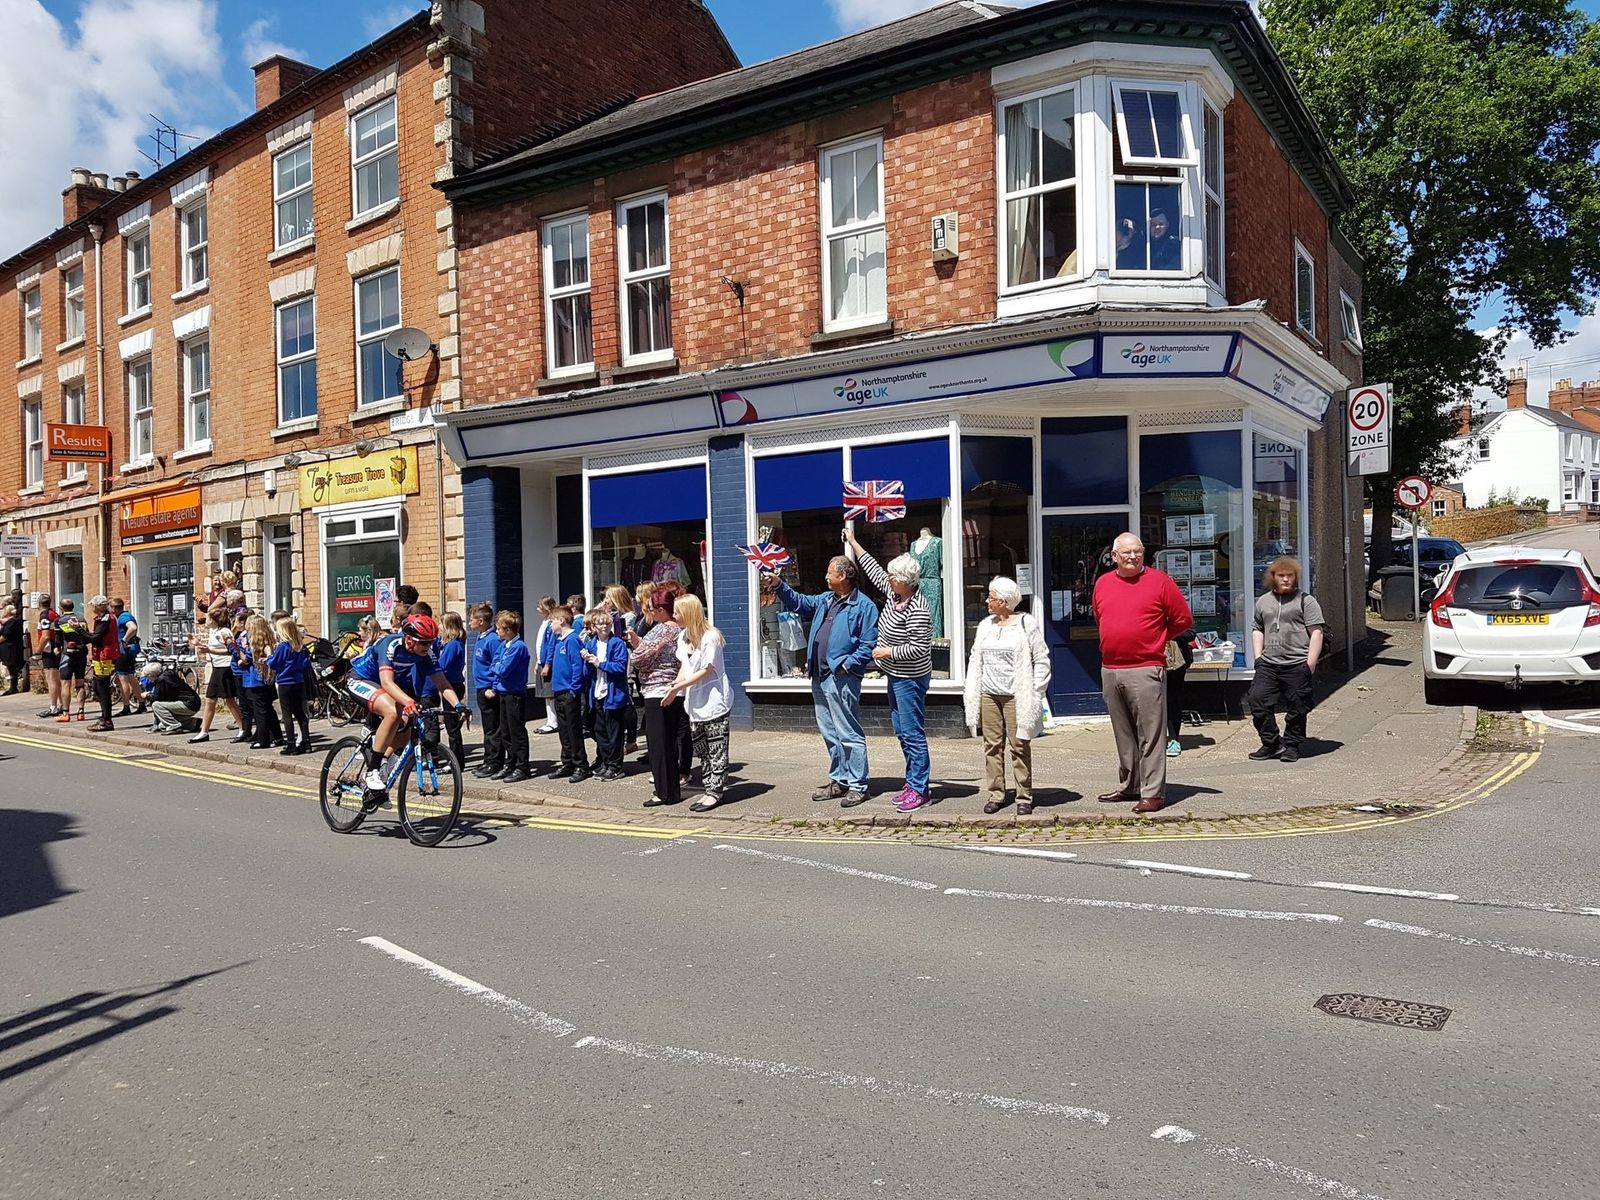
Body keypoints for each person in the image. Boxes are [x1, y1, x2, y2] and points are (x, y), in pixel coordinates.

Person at [1092, 532, 1193, 812]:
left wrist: (1157, 638)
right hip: (1111, 668)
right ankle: (1130, 786)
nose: (1133, 556)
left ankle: (1153, 793)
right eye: (1127, 552)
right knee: (1124, 734)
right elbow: (1101, 618)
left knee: (1150, 734)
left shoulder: (1160, 582)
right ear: (1114, 556)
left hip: (1146, 667)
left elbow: (1183, 619)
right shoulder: (1102, 583)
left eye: (1138, 551)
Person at [772, 552, 880, 808]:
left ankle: (858, 785)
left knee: (848, 732)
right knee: (830, 733)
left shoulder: (863, 606)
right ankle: (840, 780)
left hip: (841, 677)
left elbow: (868, 643)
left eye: (830, 572)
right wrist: (778, 585)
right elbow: (799, 603)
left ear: (843, 576)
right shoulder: (826, 600)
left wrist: (846, 664)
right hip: (819, 676)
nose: (825, 577)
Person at [844, 527, 934, 813]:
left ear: (905, 581)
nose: (889, 578)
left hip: (910, 677)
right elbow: (873, 570)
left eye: (893, 576)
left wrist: (888, 652)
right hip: (895, 675)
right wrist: (854, 542)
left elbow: (920, 648)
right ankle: (912, 782)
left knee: (912, 733)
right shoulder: (895, 595)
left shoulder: (917, 609)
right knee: (901, 730)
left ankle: (920, 789)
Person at [344, 612, 466, 795]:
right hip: (361, 679)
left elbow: (442, 682)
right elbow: (386, 682)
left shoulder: (426, 653)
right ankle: (372, 771)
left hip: (391, 684)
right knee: (392, 712)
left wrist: (458, 705)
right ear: (409, 640)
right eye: (424, 642)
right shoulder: (390, 644)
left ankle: (380, 779)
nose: (429, 646)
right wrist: (408, 701)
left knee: (404, 733)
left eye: (431, 641)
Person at [963, 576, 1051, 815]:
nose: (987, 601)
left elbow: (1041, 659)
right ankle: (996, 794)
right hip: (989, 693)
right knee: (991, 746)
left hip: (1016, 695)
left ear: (1003, 601)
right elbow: (975, 657)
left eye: (991, 597)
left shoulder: (1026, 623)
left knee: (1019, 745)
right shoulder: (986, 625)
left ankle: (1024, 796)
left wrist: (1036, 690)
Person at [1248, 556, 1326, 764]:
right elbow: (1257, 628)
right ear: (1272, 577)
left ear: (1296, 577)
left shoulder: (1306, 601)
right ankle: (1271, 743)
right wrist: (1258, 657)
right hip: (1268, 664)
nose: (1285, 579)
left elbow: (1316, 632)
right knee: (1257, 700)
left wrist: (1309, 664)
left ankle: (1292, 745)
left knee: (1297, 707)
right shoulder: (1263, 601)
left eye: (1290, 575)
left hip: (1297, 664)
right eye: (1281, 575)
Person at [664, 594, 731, 812]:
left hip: (714, 702)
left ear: (689, 613)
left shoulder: (710, 637)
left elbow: (707, 669)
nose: (674, 616)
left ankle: (716, 792)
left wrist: (679, 688)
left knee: (716, 749)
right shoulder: (683, 636)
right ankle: (708, 787)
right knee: (702, 750)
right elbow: (686, 666)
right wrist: (675, 684)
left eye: (677, 612)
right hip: (694, 704)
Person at [627, 588, 685, 806]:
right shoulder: (678, 629)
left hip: (657, 689)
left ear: (661, 609)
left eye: (651, 608)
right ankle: (671, 791)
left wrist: (636, 648)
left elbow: (640, 657)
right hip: (672, 689)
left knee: (658, 744)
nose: (649, 612)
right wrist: (639, 642)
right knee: (668, 742)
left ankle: (664, 793)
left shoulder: (663, 629)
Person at [582, 607, 631, 781]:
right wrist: (586, 661)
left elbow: (620, 667)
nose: (604, 627)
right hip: (597, 694)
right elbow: (587, 674)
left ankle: (615, 767)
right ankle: (606, 762)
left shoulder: (617, 643)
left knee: (614, 733)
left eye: (607, 624)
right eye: (600, 624)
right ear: (594, 627)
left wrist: (599, 663)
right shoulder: (591, 644)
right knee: (600, 732)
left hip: (613, 695)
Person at [483, 610, 531, 782]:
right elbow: (495, 664)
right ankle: (510, 763)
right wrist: (495, 683)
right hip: (503, 692)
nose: (497, 631)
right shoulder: (504, 645)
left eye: (499, 629)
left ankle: (522, 766)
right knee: (505, 732)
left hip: (514, 694)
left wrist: (496, 666)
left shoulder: (518, 647)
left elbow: (503, 669)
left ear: (508, 630)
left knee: (516, 732)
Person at [548, 605, 592, 782]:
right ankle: (567, 762)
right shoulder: (559, 640)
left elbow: (576, 666)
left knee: (573, 731)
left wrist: (574, 688)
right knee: (564, 731)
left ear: (562, 621)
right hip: (559, 691)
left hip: (569, 692)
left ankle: (581, 765)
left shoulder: (572, 640)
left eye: (552, 621)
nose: (550, 624)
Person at [189, 605, 243, 743]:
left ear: (215, 620)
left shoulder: (224, 632)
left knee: (228, 699)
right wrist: (197, 644)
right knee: (213, 699)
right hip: (217, 667)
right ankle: (204, 731)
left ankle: (242, 728)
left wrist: (209, 651)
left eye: (208, 618)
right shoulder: (214, 631)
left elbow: (231, 650)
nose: (206, 620)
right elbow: (210, 649)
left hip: (225, 667)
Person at [601, 584, 640, 753]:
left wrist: (604, 614)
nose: (606, 601)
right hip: (612, 659)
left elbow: (617, 635)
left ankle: (631, 738)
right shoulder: (613, 615)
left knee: (627, 699)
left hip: (625, 659)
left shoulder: (628, 616)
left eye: (608, 597)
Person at [266, 616, 312, 754]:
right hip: (298, 681)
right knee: (300, 714)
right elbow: (306, 664)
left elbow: (274, 664)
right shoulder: (300, 646)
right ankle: (306, 743)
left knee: (287, 714)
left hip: (285, 682)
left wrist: (268, 655)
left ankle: (291, 745)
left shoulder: (283, 646)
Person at [429, 611, 469, 766]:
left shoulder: (453, 645)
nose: (439, 626)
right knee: (452, 726)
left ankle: (456, 761)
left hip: (452, 686)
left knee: (452, 728)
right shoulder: (451, 643)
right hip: (452, 684)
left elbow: (442, 666)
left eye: (441, 623)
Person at [467, 602, 503, 775]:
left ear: (481, 621)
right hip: (481, 688)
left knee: (493, 728)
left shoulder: (492, 639)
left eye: (471, 620)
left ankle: (495, 762)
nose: (469, 623)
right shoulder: (481, 637)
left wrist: (493, 688)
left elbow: (498, 664)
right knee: (487, 727)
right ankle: (488, 759)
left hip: (489, 689)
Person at [240, 614, 285, 749]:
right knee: (269, 710)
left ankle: (263, 739)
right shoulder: (269, 639)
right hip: (268, 679)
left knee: (260, 711)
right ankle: (277, 737)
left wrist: (239, 647)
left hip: (256, 680)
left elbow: (246, 659)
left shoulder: (253, 643)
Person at [86, 596, 120, 731]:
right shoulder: (102, 618)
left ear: (98, 607)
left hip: (105, 657)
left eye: (93, 606)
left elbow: (95, 637)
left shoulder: (106, 619)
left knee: (103, 689)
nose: (92, 608)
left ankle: (107, 721)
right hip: (99, 656)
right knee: (97, 688)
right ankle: (104, 717)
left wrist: (78, 630)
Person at [55, 601, 90, 720]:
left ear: (61, 608)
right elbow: (87, 636)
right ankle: (81, 712)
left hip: (67, 655)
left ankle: (66, 714)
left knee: (66, 684)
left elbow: (58, 640)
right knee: (80, 684)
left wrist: (57, 649)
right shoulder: (82, 619)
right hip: (81, 654)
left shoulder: (59, 621)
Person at [1165, 628, 1196, 758]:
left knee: (1173, 700)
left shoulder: (1177, 616)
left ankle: (1174, 739)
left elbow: (1190, 634)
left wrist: (1165, 632)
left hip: (1175, 662)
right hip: (1149, 660)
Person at [145, 663, 202, 734]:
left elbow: (156, 699)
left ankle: (174, 727)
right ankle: (193, 723)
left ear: (152, 674)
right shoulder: (168, 676)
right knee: (162, 725)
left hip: (188, 703)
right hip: (194, 702)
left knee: (156, 705)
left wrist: (148, 695)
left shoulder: (162, 680)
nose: (148, 679)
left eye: (147, 676)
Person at [111, 598, 144, 716]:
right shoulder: (125, 615)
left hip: (124, 651)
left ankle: (126, 707)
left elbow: (133, 628)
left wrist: (124, 640)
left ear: (114, 608)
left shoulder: (123, 617)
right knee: (131, 678)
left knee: (122, 679)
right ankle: (141, 704)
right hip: (130, 651)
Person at [531, 596, 559, 735]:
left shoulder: (551, 624)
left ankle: (553, 722)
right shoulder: (545, 623)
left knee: (549, 694)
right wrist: (538, 661)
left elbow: (550, 647)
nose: (537, 609)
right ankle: (550, 720)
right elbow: (541, 645)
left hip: (548, 663)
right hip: (542, 662)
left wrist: (547, 664)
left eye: (540, 606)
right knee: (545, 694)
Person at [35, 592, 63, 717]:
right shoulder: (54, 613)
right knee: (56, 679)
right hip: (57, 647)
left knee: (51, 679)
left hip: (49, 649)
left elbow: (45, 636)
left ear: (39, 604)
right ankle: (61, 705)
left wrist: (38, 651)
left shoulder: (44, 615)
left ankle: (53, 707)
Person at [0, 602, 23, 694]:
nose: (3, 611)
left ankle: (13, 688)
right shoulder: (9, 622)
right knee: (11, 668)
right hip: (7, 648)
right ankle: (12, 687)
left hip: (10, 648)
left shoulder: (12, 622)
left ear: (8, 612)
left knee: (12, 668)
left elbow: (5, 635)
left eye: (4, 610)